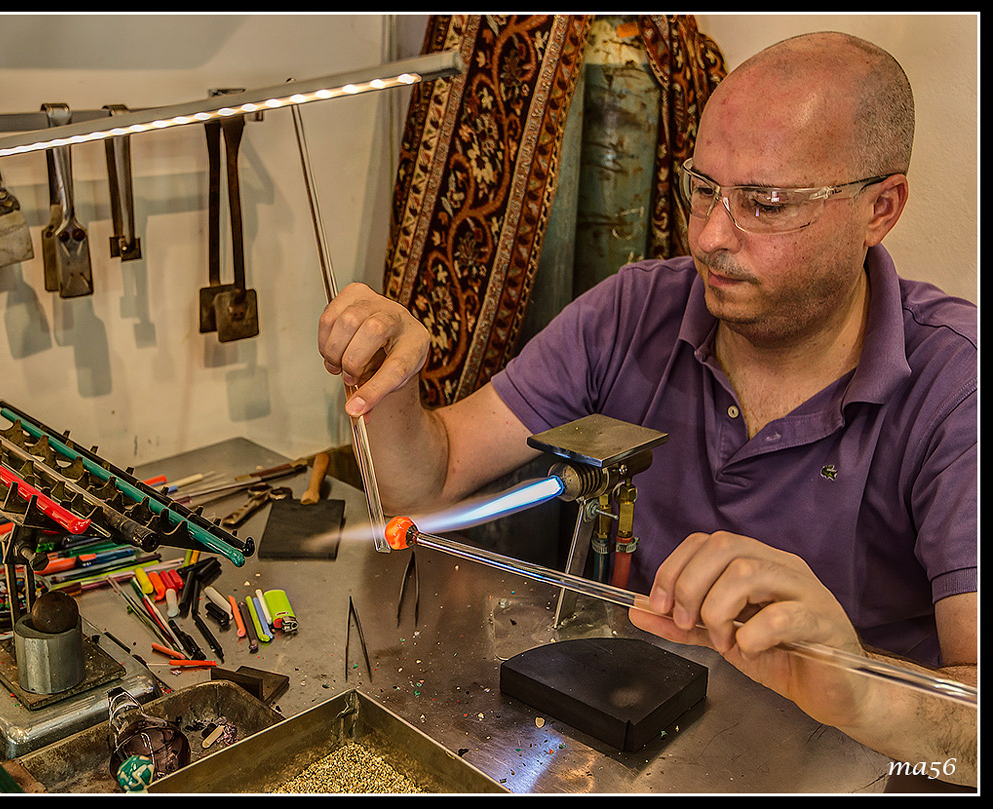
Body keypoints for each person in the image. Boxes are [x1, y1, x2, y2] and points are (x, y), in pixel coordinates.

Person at [317, 32, 976, 785]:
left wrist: (853, 679)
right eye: (702, 189)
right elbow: (425, 486)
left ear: (880, 208)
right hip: (649, 752)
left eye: (763, 204)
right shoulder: (635, 310)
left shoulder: (958, 387)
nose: (710, 237)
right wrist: (388, 385)